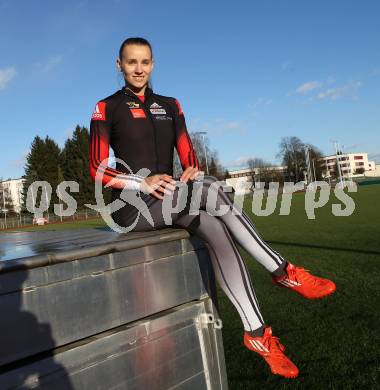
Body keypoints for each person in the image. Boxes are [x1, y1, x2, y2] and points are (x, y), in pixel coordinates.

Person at [89, 37, 336, 379]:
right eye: (131, 62)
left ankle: (257, 334)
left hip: (168, 199)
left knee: (215, 224)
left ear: (153, 64)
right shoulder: (106, 107)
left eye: (144, 61)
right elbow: (97, 168)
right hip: (131, 209)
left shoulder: (171, 105)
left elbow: (188, 152)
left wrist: (192, 168)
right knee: (209, 190)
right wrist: (141, 182)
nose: (138, 68)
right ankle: (281, 271)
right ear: (119, 65)